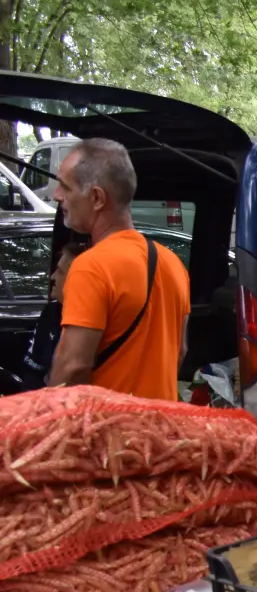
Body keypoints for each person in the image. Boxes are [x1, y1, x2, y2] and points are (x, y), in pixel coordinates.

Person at [48, 138, 189, 398]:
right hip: (158, 431)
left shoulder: (90, 267)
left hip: (107, 432)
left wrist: (42, 419)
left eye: (65, 187)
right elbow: (179, 352)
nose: (56, 195)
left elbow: (72, 368)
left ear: (97, 198)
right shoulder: (173, 264)